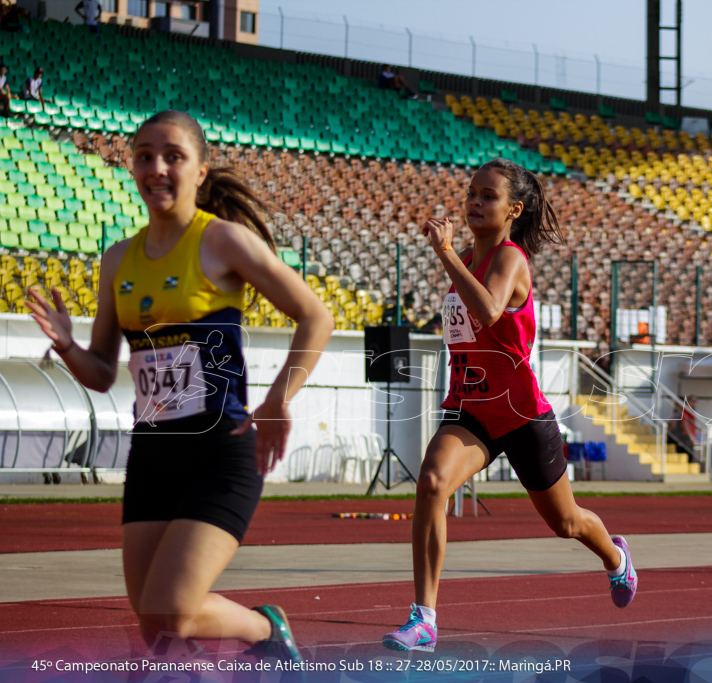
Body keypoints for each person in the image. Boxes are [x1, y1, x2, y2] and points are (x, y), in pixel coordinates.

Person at [26, 111, 334, 662]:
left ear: (199, 171)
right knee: (156, 623)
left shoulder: (222, 242)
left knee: (174, 609)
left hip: (219, 453)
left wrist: (277, 398)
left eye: (173, 156)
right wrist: (69, 346)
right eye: (144, 155)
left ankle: (266, 629)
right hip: (153, 457)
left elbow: (316, 316)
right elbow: (102, 373)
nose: (157, 168)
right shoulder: (119, 259)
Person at [382, 158, 637, 653]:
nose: (475, 201)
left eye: (488, 196)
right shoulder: (469, 261)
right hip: (471, 409)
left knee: (566, 523)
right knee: (432, 482)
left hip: (522, 415)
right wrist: (453, 257)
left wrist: (445, 253)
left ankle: (615, 556)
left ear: (514, 209)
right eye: (471, 192)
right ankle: (424, 620)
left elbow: (490, 309)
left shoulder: (510, 258)